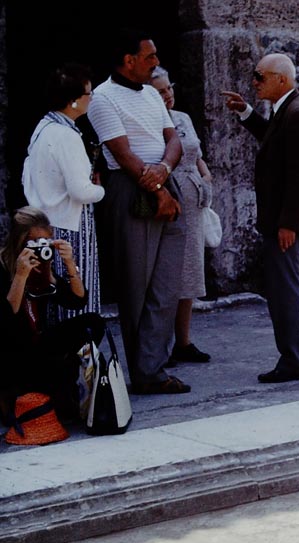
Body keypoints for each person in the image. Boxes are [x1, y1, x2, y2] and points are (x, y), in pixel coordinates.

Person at [89, 29, 189, 395]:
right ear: (128, 60)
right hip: (131, 189)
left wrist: (164, 170)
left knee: (166, 282)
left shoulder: (150, 93)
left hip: (161, 179)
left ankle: (155, 366)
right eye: (149, 57)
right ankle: (144, 371)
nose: (156, 62)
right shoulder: (102, 98)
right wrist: (158, 186)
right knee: (137, 284)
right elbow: (121, 152)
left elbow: (173, 137)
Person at [222, 54, 299, 384]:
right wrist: (246, 113)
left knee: (285, 291)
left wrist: (288, 223)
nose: (254, 82)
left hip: (285, 221)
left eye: (259, 77)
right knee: (296, 287)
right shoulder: (289, 111)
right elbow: (275, 141)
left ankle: (294, 359)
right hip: (284, 219)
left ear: (281, 79)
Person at [0, 207, 105, 420]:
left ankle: (65, 391)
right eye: (35, 243)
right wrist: (20, 276)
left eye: (46, 242)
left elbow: (77, 301)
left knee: (92, 322)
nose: (41, 249)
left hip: (38, 347)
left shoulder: (41, 267)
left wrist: (69, 265)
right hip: (10, 354)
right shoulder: (3, 266)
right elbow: (5, 319)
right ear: (20, 242)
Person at [22, 63, 105, 319]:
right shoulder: (66, 136)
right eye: (89, 94)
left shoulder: (42, 128)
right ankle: (80, 354)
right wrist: (100, 190)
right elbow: (80, 191)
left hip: (43, 222)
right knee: (75, 297)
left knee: (51, 295)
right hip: (70, 226)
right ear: (74, 101)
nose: (92, 99)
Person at [150, 67, 212, 365]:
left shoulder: (183, 118)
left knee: (190, 270)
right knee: (167, 274)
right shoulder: (149, 123)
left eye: (169, 90)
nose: (168, 96)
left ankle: (183, 342)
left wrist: (205, 175)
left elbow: (196, 153)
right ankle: (160, 344)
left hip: (194, 198)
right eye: (161, 91)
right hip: (169, 197)